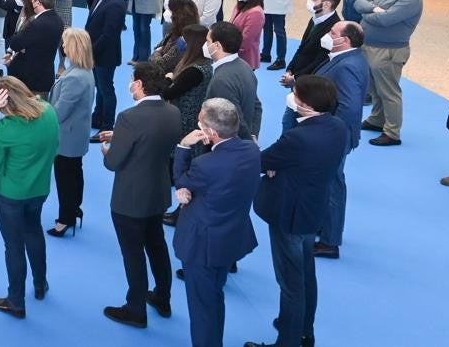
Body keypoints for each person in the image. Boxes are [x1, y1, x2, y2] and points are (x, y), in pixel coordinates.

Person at [246, 76, 348, 347]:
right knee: (305, 276)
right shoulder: (337, 126)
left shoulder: (298, 137)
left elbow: (261, 160)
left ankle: (288, 341)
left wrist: (264, 159)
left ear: (304, 104)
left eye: (296, 93)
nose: (292, 95)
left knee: (290, 283)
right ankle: (303, 330)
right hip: (312, 210)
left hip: (287, 214)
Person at [172, 98, 261, 347]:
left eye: (199, 122)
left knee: (202, 308)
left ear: (210, 132)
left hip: (203, 244)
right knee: (214, 296)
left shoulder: (205, 165)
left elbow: (181, 179)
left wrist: (183, 146)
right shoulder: (252, 150)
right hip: (232, 238)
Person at [99, 62, 182, 329]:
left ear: (140, 84)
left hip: (130, 197)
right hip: (157, 193)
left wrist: (108, 149)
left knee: (133, 253)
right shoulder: (172, 112)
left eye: (133, 80)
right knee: (157, 246)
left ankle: (135, 309)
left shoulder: (128, 118)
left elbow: (113, 162)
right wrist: (121, 136)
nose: (130, 84)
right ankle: (162, 297)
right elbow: (152, 139)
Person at [0, 77, 59, 319]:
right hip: (39, 188)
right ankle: (40, 283)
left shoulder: (10, 127)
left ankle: (16, 301)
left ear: (5, 100)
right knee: (34, 232)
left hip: (11, 194)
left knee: (13, 246)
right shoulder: (49, 112)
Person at [311, 21, 370, 259]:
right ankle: (325, 227)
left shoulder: (348, 66)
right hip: (332, 134)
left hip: (333, 137)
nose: (327, 35)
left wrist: (330, 135)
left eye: (332, 33)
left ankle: (329, 241)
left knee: (332, 185)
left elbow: (350, 108)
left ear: (345, 40)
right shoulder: (346, 58)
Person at [356, 0, 424, 146]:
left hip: (388, 51)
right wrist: (374, 9)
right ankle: (377, 119)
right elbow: (359, 2)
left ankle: (392, 133)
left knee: (388, 91)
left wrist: (369, 13)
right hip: (370, 46)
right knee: (375, 88)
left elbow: (385, 20)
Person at [47, 29, 94, 238]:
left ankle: (65, 219)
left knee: (65, 178)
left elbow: (59, 112)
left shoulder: (74, 77)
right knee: (75, 174)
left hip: (66, 137)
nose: (63, 48)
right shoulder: (84, 71)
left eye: (65, 44)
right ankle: (74, 210)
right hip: (77, 134)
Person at [278, 0, 342, 122]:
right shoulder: (315, 19)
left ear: (326, 4)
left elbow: (320, 61)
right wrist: (290, 69)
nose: (309, 1)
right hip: (299, 81)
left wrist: (295, 79)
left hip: (311, 87)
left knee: (292, 122)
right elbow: (302, 48)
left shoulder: (333, 29)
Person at [204, 22, 263, 140]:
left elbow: (235, 120)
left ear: (217, 46)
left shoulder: (222, 80)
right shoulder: (246, 66)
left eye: (207, 41)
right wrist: (253, 134)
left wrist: (248, 142)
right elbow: (257, 106)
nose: (205, 45)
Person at [163, 25, 215, 157]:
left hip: (185, 119)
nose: (181, 41)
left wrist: (168, 80)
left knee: (180, 155)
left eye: (185, 39)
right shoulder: (204, 63)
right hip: (192, 115)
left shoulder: (193, 71)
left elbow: (168, 93)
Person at [86, 0, 127, 135]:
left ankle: (107, 125)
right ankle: (97, 117)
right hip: (96, 51)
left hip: (105, 54)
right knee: (99, 87)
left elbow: (108, 34)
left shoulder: (116, 3)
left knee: (106, 89)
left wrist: (90, 51)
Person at [5, 0, 63, 96]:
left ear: (38, 2)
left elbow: (15, 42)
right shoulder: (58, 20)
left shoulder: (37, 23)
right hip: (43, 78)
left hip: (29, 82)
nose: (31, 2)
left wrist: (23, 47)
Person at [150, 0, 201, 75]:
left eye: (171, 12)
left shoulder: (184, 40)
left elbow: (161, 64)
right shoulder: (175, 31)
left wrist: (157, 52)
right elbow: (158, 47)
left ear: (178, 15)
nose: (169, 15)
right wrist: (158, 51)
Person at [231, 0, 267, 70]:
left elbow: (246, 40)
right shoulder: (239, 5)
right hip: (232, 54)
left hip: (245, 59)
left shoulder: (256, 12)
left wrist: (227, 48)